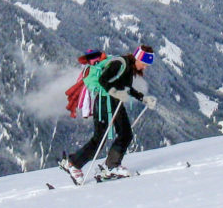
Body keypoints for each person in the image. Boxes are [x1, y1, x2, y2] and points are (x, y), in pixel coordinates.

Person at [60, 45, 157, 184]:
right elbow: (103, 80)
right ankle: (102, 166)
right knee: (113, 136)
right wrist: (116, 93)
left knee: (118, 135)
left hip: (112, 101)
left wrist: (142, 98)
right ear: (137, 58)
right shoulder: (120, 63)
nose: (145, 67)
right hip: (106, 102)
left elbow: (126, 87)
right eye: (144, 63)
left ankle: (98, 165)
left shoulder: (128, 67)